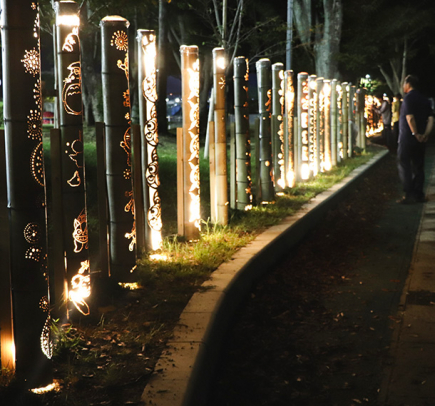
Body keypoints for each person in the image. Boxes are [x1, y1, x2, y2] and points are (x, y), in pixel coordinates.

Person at [397, 75, 434, 204]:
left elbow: (410, 118)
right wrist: (425, 134)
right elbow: (430, 119)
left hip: (407, 138)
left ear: (408, 84)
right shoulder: (425, 100)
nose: (403, 86)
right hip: (421, 140)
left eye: (403, 83)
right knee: (419, 166)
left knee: (405, 164)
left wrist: (415, 133)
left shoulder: (408, 99)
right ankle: (419, 194)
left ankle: (408, 194)